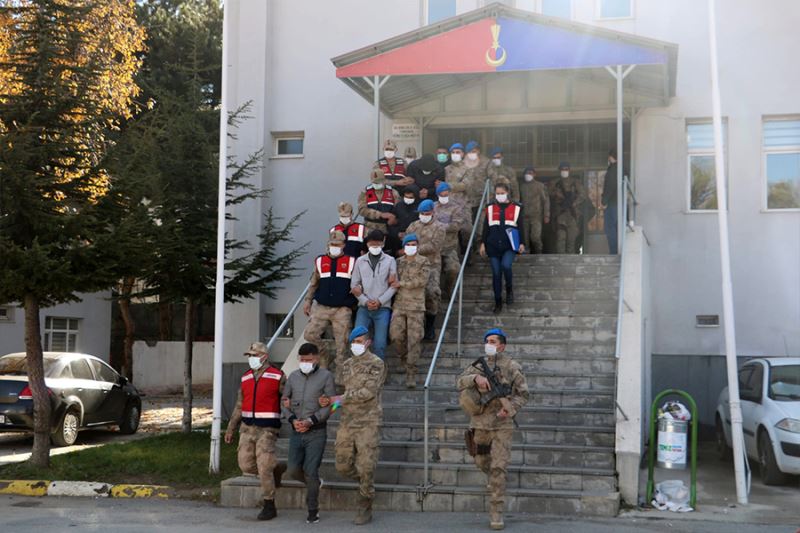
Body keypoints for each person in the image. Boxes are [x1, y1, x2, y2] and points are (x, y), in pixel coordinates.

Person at [457, 329, 529, 530]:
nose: (489, 344)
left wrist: (511, 409)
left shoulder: (512, 367)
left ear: (502, 345)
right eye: (487, 341)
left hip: (502, 426)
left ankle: (496, 512)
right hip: (480, 424)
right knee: (481, 461)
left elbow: (524, 394)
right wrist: (475, 379)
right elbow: (459, 382)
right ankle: (495, 480)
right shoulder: (476, 367)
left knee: (498, 467)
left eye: (493, 341)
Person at [330, 326, 387, 525]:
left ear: (368, 342)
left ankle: (365, 504)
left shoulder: (376, 364)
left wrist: (340, 398)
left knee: (366, 466)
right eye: (353, 342)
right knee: (342, 466)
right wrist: (331, 405)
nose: (356, 345)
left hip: (368, 422)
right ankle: (365, 484)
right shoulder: (346, 364)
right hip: (347, 421)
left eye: (360, 341)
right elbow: (342, 393)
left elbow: (368, 392)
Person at [225, 342, 286, 521]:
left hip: (267, 429)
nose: (251, 359)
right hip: (247, 428)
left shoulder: (278, 376)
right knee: (245, 465)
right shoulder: (245, 378)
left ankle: (269, 504)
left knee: (264, 465)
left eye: (254, 355)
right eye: (249, 356)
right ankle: (276, 469)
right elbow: (239, 405)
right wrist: (231, 428)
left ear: (264, 357)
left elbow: (287, 399)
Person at [281, 343, 336, 524]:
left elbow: (330, 404)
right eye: (302, 360)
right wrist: (292, 420)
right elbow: (285, 401)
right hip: (296, 431)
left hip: (316, 432)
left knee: (310, 471)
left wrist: (311, 421)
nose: (305, 363)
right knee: (293, 470)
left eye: (308, 360)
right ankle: (315, 484)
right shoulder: (293, 377)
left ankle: (312, 510)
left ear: (316, 359)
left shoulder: (326, 376)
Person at [302, 231, 356, 382]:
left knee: (342, 344)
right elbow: (314, 283)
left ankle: (340, 375)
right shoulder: (320, 261)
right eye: (332, 244)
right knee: (309, 334)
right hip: (322, 307)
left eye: (338, 245)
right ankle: (324, 354)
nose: (335, 247)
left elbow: (358, 283)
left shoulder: (352, 261)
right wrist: (308, 301)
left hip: (342, 308)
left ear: (343, 245)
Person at [389, 234, 430, 388]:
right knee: (396, 335)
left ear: (418, 246)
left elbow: (422, 281)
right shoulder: (398, 262)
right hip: (399, 305)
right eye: (408, 244)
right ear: (404, 246)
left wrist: (401, 283)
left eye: (414, 244)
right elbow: (391, 279)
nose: (411, 247)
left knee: (414, 339)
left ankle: (411, 372)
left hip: (416, 307)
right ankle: (402, 358)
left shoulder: (424, 261)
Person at [479, 183, 527, 313]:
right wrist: (482, 243)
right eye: (497, 193)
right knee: (496, 273)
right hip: (493, 245)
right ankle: (498, 301)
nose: (499, 195)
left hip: (509, 245)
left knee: (506, 266)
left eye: (501, 193)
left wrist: (522, 243)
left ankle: (509, 289)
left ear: (507, 192)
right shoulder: (489, 207)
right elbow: (485, 227)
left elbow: (521, 226)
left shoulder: (517, 207)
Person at [350, 229, 397, 359]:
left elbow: (393, 286)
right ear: (367, 244)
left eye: (377, 244)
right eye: (372, 244)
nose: (374, 247)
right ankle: (359, 369)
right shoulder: (360, 261)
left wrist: (380, 301)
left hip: (382, 309)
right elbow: (354, 284)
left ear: (383, 243)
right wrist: (365, 301)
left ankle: (378, 373)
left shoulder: (390, 260)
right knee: (357, 340)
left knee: (380, 344)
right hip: (363, 308)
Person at [406, 199, 446, 340]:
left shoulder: (439, 227)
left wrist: (415, 250)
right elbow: (406, 241)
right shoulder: (413, 226)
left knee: (431, 293)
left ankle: (430, 325)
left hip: (431, 265)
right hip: (413, 265)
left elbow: (434, 246)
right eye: (422, 213)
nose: (424, 215)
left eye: (427, 213)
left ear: (433, 212)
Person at [434, 182, 470, 298]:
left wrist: (440, 226)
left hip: (450, 246)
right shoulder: (432, 207)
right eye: (441, 195)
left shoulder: (456, 208)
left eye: (446, 195)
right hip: (434, 246)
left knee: (453, 269)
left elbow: (456, 226)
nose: (444, 197)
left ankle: (447, 290)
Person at [551, 161, 587, 254]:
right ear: (560, 170)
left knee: (571, 240)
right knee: (561, 238)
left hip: (573, 214)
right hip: (560, 214)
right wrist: (557, 195)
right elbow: (547, 194)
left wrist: (574, 203)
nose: (564, 171)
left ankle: (569, 261)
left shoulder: (575, 182)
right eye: (562, 169)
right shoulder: (555, 183)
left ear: (569, 170)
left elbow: (583, 195)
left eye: (566, 169)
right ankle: (560, 259)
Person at [358, 169, 399, 248]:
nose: (377, 184)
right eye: (375, 182)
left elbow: (398, 210)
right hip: (369, 229)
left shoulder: (393, 192)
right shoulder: (365, 192)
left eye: (379, 182)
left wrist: (394, 218)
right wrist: (380, 214)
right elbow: (362, 210)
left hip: (386, 229)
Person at [518, 167, 550, 254]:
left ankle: (539, 253)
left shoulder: (540, 186)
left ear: (534, 174)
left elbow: (546, 201)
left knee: (535, 237)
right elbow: (517, 200)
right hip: (524, 216)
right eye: (526, 173)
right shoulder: (521, 186)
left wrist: (546, 215)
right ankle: (526, 256)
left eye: (530, 173)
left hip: (536, 217)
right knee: (525, 239)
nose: (528, 174)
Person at [388, 184, 420, 253]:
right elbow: (391, 224)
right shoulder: (399, 206)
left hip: (415, 240)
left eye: (410, 197)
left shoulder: (420, 208)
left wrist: (409, 234)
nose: (408, 199)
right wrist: (397, 233)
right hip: (398, 240)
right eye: (406, 197)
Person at [463, 140, 490, 219]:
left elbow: (491, 180)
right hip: (468, 200)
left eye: (474, 151)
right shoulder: (463, 162)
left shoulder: (487, 162)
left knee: (480, 225)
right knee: (468, 226)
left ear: (478, 151)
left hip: (482, 199)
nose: (472, 153)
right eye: (469, 152)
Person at [601, 149, 619, 255]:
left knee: (610, 228)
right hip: (618, 204)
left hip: (612, 204)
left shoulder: (612, 170)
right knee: (616, 228)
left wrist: (604, 201)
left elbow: (610, 186)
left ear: (610, 157)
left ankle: (613, 252)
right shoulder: (621, 168)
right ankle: (616, 250)